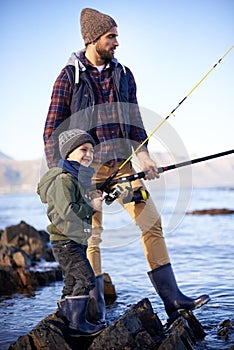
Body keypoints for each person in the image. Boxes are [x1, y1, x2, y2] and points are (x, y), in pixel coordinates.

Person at [43, 7, 210, 322]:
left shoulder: (124, 74)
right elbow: (51, 132)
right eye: (112, 36)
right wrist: (65, 178)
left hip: (123, 167)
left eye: (116, 36)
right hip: (85, 171)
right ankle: (94, 310)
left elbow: (134, 119)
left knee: (152, 223)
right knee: (90, 236)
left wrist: (144, 154)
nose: (117, 42)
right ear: (94, 39)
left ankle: (174, 301)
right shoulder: (69, 77)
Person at [37, 128, 106, 336]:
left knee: (72, 281)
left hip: (75, 241)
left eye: (92, 151)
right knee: (86, 279)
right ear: (68, 153)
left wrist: (92, 197)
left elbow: (78, 203)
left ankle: (67, 319)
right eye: (83, 149)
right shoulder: (64, 179)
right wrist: (92, 206)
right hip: (65, 242)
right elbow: (68, 211)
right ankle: (78, 325)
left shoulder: (77, 178)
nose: (89, 155)